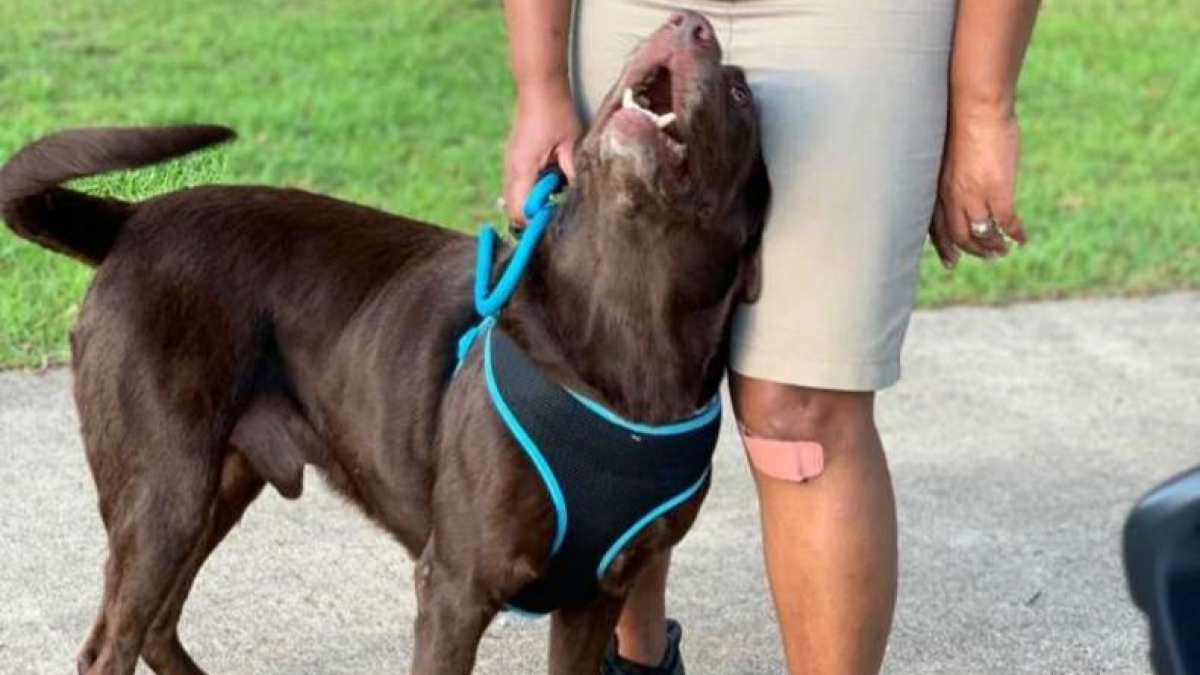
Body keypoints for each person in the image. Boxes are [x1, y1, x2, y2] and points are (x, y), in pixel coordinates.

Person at [501, 1, 1042, 673]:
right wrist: (539, 81)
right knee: (621, 377)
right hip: (637, 9)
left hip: (856, 29)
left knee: (801, 412)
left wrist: (985, 104)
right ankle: (632, 661)